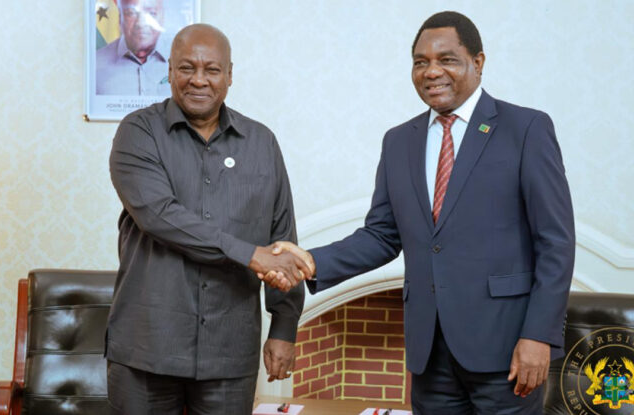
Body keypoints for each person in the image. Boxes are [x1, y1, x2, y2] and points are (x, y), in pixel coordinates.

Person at [267, 11, 575, 414]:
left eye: (447, 59)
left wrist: (539, 335)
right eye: (420, 62)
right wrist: (310, 261)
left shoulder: (525, 128)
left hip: (507, 348)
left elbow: (555, 242)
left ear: (478, 62)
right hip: (430, 352)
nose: (431, 72)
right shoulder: (399, 141)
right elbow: (382, 235)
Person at [107, 23, 310, 415]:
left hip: (229, 352)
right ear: (170, 72)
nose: (198, 79)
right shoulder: (138, 132)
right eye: (187, 67)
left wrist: (284, 327)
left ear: (229, 75)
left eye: (212, 69)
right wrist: (250, 254)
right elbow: (160, 215)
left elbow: (282, 238)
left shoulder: (261, 143)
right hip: (146, 348)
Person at [96, 0, 174, 95]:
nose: (141, 23)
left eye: (152, 13)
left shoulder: (180, 59)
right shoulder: (95, 63)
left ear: (163, 17)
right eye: (131, 13)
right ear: (120, 18)